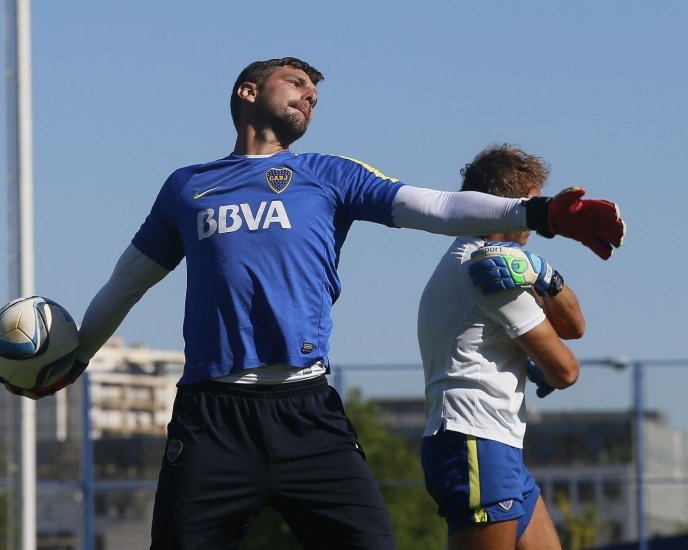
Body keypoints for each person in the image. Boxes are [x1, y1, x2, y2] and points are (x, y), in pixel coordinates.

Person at [3, 58, 624, 549]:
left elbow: (434, 207)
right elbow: (125, 284)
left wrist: (538, 214)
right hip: (211, 418)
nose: (310, 96)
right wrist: (77, 355)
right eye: (295, 82)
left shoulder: (328, 174)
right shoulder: (188, 187)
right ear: (248, 91)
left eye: (315, 95)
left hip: (308, 413)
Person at [417, 144, 586, 550]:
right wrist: (542, 357)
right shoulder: (485, 268)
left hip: (495, 443)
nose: (536, 214)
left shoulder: (500, 262)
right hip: (474, 440)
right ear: (504, 206)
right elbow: (566, 370)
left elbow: (574, 326)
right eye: (531, 202)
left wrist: (545, 274)